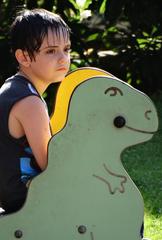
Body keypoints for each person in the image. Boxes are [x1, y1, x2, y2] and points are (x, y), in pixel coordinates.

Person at [0, 8, 71, 214]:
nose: (62, 58)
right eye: (51, 51)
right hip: (27, 198)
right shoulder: (29, 102)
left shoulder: (16, 88)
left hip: (12, 194)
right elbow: (51, 165)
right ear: (24, 57)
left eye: (66, 49)